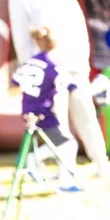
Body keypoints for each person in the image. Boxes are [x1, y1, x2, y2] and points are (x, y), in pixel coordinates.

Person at [10, 0, 108, 179]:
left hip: (46, 70)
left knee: (59, 122)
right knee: (86, 117)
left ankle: (68, 172)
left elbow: (22, 40)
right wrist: (83, 63)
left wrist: (28, 74)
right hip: (76, 64)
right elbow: (81, 32)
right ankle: (101, 164)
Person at [12, 25, 81, 192]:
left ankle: (34, 160)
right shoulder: (52, 67)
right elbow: (72, 87)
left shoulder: (29, 63)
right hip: (43, 113)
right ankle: (64, 181)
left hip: (28, 111)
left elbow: (15, 82)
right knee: (68, 145)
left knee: (61, 143)